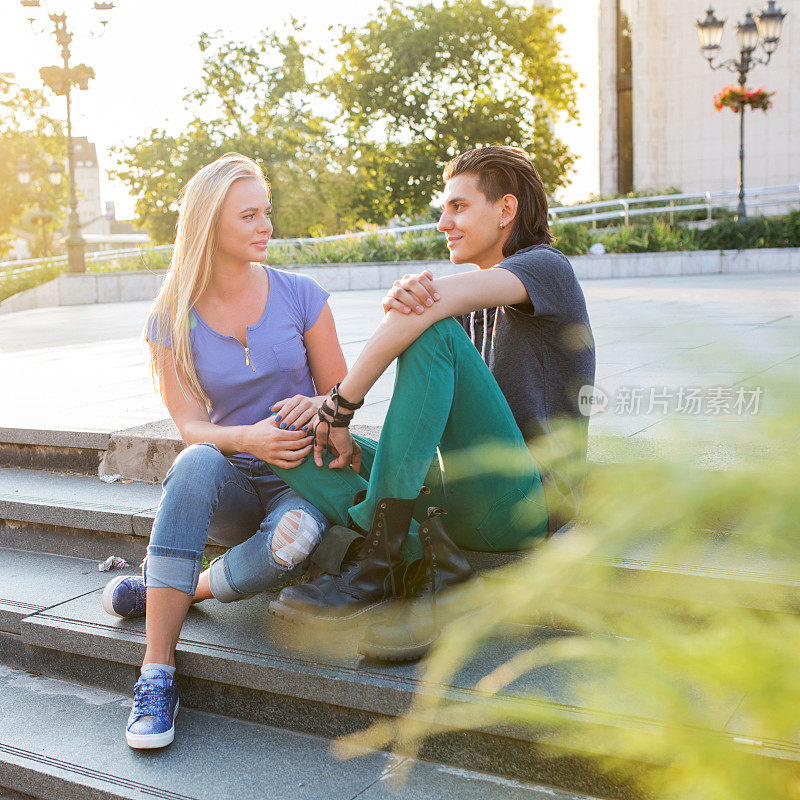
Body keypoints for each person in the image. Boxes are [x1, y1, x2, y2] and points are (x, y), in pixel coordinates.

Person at [264, 145, 596, 661]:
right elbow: (425, 321)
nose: (444, 222)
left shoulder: (548, 269)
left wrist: (342, 403)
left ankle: (378, 560)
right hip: (460, 493)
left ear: (506, 210)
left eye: (458, 207)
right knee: (292, 440)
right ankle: (427, 559)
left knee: (429, 329)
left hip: (526, 499)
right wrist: (326, 413)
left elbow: (428, 312)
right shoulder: (465, 302)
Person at [101, 152, 348, 749]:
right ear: (209, 224)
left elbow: (345, 395)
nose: (266, 226)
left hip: (302, 477)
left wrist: (321, 406)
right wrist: (246, 438)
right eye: (249, 216)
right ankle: (156, 675)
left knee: (290, 543)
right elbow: (190, 427)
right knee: (194, 462)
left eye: (267, 212)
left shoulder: (303, 295)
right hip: (231, 481)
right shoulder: (170, 320)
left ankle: (174, 590)